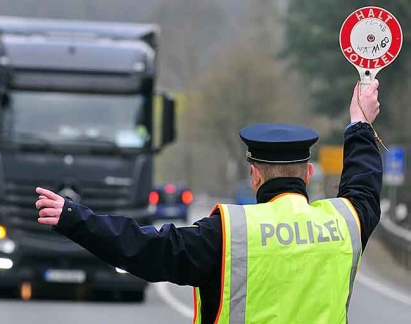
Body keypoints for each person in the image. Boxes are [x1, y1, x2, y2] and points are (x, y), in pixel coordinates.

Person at [35, 79, 382, 323]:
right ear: (307, 175)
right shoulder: (344, 222)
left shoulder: (232, 234)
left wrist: (74, 218)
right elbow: (363, 185)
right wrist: (360, 124)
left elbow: (145, 250)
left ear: (255, 176)